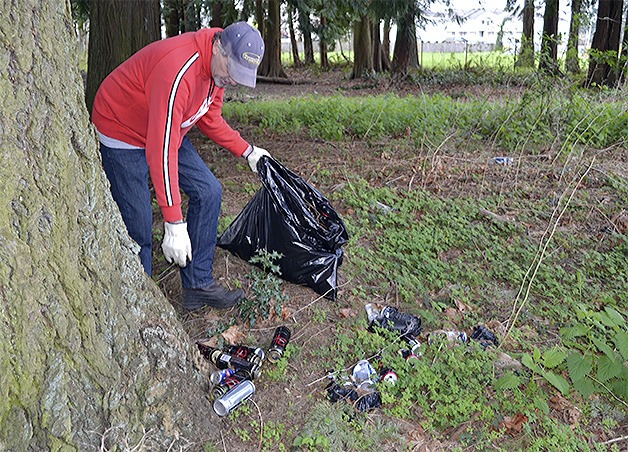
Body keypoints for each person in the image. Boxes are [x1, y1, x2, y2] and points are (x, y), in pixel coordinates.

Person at [91, 22, 270, 310]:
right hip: (121, 129)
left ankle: (197, 284)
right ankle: (140, 304)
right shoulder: (178, 68)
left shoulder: (218, 73)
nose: (233, 81)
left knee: (209, 191)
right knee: (139, 225)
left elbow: (209, 117)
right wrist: (174, 222)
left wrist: (247, 151)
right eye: (233, 71)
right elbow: (161, 150)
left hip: (166, 125)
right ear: (219, 49)